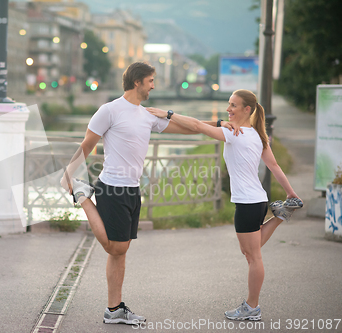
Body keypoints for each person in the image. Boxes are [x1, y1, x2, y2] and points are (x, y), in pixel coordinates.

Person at [60, 61, 238, 325]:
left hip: (133, 189)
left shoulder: (146, 116)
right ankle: (83, 196)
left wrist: (219, 124)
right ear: (137, 82)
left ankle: (114, 309)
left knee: (120, 251)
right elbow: (88, 144)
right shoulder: (109, 110)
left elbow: (188, 127)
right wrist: (68, 174)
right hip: (111, 186)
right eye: (151, 81)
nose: (154, 85)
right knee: (115, 246)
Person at [147, 89, 303, 321]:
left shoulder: (235, 134)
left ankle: (252, 307)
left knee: (253, 256)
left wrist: (168, 114)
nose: (228, 109)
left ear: (247, 109)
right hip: (256, 199)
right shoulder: (257, 135)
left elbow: (197, 127)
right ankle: (280, 214)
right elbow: (275, 166)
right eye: (228, 104)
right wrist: (290, 193)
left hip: (248, 202)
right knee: (251, 250)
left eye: (233, 105)